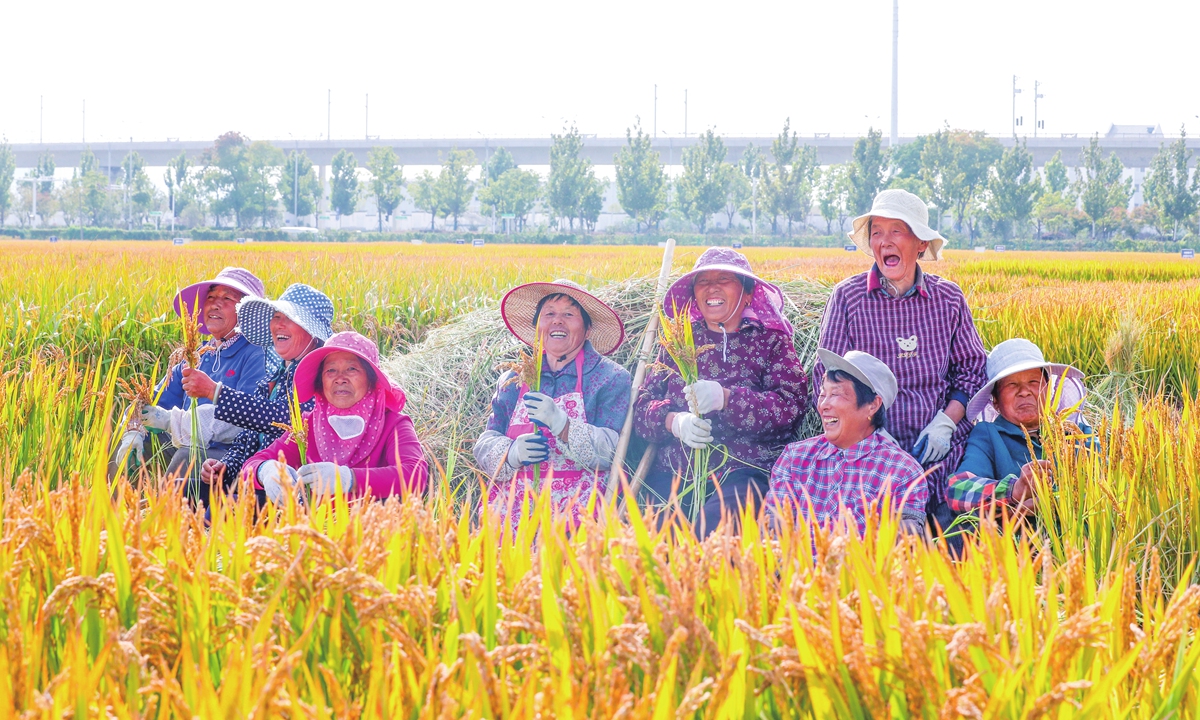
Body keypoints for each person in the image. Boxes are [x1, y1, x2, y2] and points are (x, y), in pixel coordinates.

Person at [814, 189, 987, 545]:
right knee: (877, 554)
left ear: (920, 243)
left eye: (897, 231)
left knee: (951, 550)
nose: (884, 241)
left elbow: (972, 371)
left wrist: (946, 422)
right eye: (877, 232)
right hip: (868, 454)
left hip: (941, 452)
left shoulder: (948, 299)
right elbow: (826, 375)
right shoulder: (848, 297)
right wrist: (869, 432)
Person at [633, 247, 809, 538]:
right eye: (703, 281)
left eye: (724, 279)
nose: (712, 287)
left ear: (748, 293)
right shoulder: (678, 343)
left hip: (742, 469)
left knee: (713, 533)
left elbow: (790, 408)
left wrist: (728, 399)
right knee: (662, 538)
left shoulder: (771, 342)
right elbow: (641, 408)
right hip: (676, 470)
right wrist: (674, 422)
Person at [474, 280, 632, 529]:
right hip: (513, 506)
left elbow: (615, 452)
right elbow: (486, 440)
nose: (557, 321)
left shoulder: (609, 377)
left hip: (580, 508)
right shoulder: (514, 379)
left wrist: (563, 425)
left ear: (587, 329)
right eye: (549, 314)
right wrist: (511, 453)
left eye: (569, 314)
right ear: (537, 326)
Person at [114, 267, 268, 487]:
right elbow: (151, 400)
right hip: (185, 441)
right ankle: (112, 513)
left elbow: (244, 418)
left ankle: (168, 517)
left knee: (187, 456)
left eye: (227, 298)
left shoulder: (255, 354)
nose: (215, 303)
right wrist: (134, 428)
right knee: (125, 439)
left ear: (248, 312)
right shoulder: (198, 355)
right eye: (212, 296)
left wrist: (171, 421)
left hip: (227, 454)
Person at [243, 331, 427, 502]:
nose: (340, 378)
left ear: (371, 380)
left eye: (352, 369)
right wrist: (266, 471)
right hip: (314, 530)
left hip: (372, 531)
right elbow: (251, 465)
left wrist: (349, 479)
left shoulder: (393, 424)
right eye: (331, 370)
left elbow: (416, 475)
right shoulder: (308, 425)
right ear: (320, 381)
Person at [189, 284, 335, 497]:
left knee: (218, 511)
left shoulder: (318, 377)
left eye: (290, 319)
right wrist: (224, 467)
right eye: (276, 316)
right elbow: (245, 441)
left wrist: (216, 392)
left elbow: (284, 418)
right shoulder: (273, 377)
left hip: (287, 489)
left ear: (312, 332)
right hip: (252, 480)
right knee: (178, 490)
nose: (279, 325)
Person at [764, 349, 927, 535]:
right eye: (823, 394)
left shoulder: (902, 471)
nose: (824, 405)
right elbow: (773, 536)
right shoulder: (795, 458)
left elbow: (903, 549)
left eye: (836, 394)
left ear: (873, 405)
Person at [947, 338, 1091, 515]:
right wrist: (1014, 491)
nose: (1024, 391)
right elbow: (959, 491)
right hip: (1014, 538)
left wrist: (1060, 502)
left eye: (1033, 382)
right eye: (1012, 385)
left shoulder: (1076, 433)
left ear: (1049, 390)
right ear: (996, 401)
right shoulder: (989, 435)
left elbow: (1111, 479)